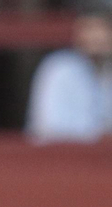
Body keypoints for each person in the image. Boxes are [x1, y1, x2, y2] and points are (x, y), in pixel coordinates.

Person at [26, 7, 112, 143]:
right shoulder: (60, 68)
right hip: (58, 158)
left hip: (99, 159)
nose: (98, 36)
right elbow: (53, 129)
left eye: (104, 29)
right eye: (91, 28)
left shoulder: (107, 72)